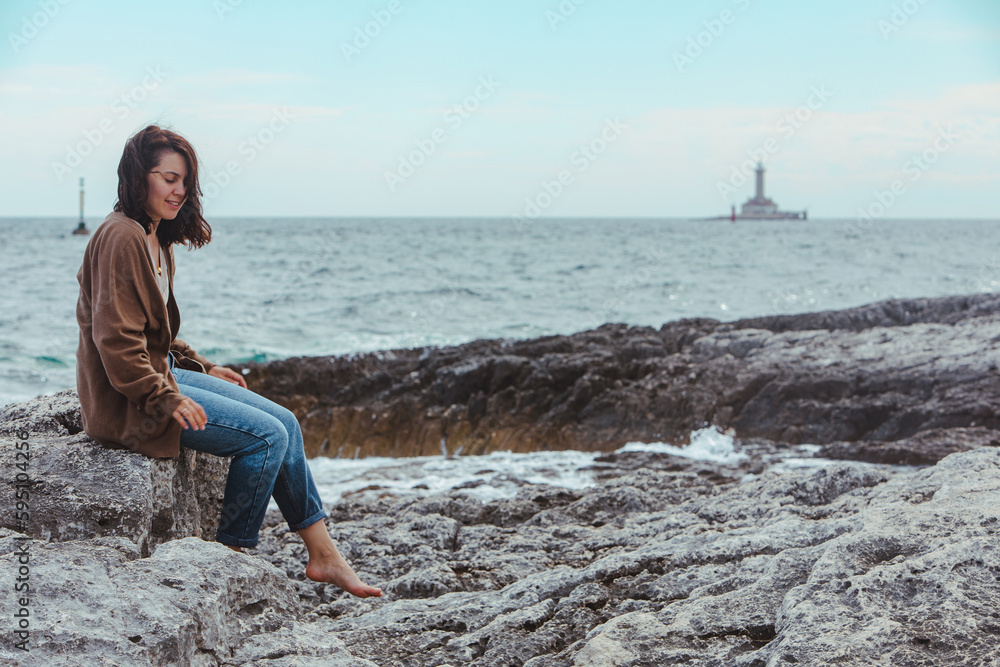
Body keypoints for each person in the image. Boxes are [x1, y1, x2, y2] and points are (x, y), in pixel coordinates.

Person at [75, 125, 381, 598]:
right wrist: (163, 397)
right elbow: (116, 341)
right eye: (168, 178)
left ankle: (324, 556)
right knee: (263, 438)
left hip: (163, 375)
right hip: (127, 402)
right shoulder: (121, 237)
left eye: (184, 181)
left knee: (287, 422)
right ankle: (230, 556)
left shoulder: (154, 236)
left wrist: (202, 368)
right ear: (139, 177)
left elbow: (156, 335)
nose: (179, 191)